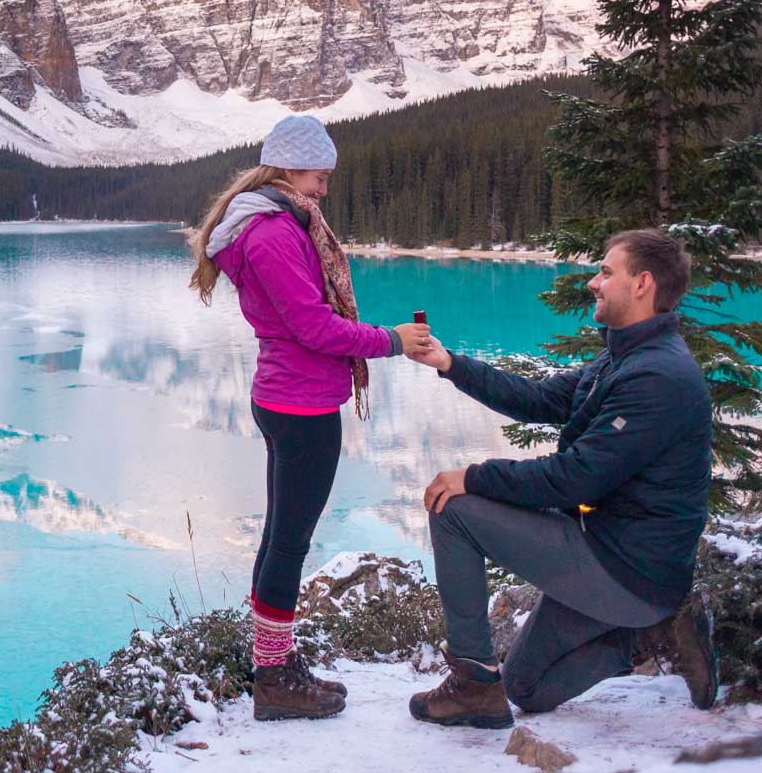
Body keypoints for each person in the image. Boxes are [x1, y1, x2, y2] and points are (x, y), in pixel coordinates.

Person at [404, 229, 716, 730]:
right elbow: (540, 400)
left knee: (454, 508)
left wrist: (475, 477)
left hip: (626, 568)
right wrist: (450, 364)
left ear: (642, 284)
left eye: (606, 272)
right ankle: (652, 636)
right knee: (526, 688)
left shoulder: (659, 377)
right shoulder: (622, 357)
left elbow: (574, 480)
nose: (594, 283)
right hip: (613, 555)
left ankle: (472, 685)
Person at [189, 114, 430, 721]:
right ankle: (274, 680)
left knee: (280, 537)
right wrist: (393, 341)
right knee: (289, 542)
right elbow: (314, 327)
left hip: (290, 397)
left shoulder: (279, 223)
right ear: (289, 169)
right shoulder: (272, 234)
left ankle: (276, 663)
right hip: (300, 406)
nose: (324, 189)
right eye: (320, 177)